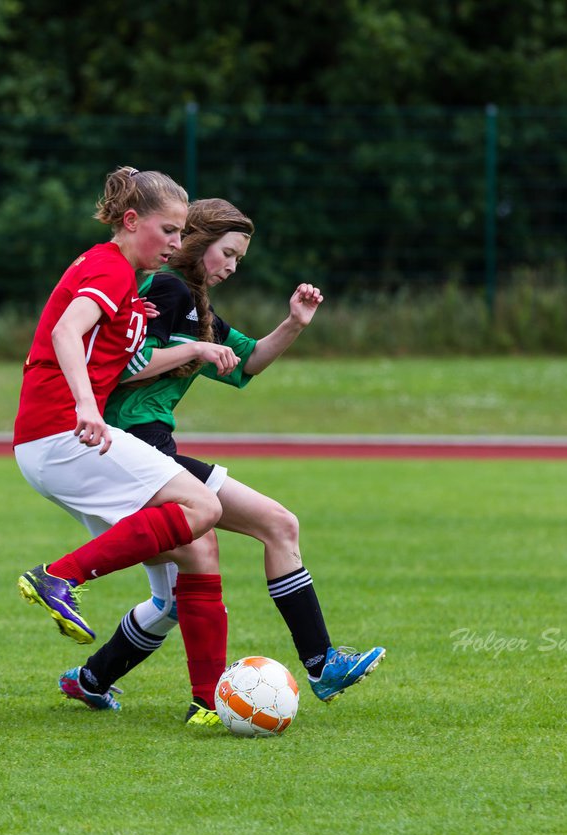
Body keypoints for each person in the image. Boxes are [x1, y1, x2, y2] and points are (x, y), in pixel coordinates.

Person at [56, 198, 385, 724]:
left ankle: (92, 680)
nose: (232, 267)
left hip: (158, 450)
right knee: (243, 547)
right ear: (196, 242)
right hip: (134, 451)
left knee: (254, 542)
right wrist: (196, 351)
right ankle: (301, 669)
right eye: (227, 253)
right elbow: (127, 365)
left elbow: (247, 361)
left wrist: (295, 323)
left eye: (239, 259)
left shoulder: (195, 304)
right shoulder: (165, 290)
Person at [12, 167, 242, 645]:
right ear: (132, 220)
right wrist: (86, 407)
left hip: (50, 441)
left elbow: (105, 340)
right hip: (63, 434)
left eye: (181, 232)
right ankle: (57, 577)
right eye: (169, 230)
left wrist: (135, 314)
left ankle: (206, 705)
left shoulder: (123, 276)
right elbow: (65, 332)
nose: (177, 244)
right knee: (202, 506)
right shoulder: (110, 268)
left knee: (195, 553)